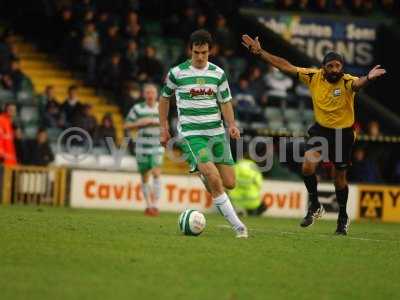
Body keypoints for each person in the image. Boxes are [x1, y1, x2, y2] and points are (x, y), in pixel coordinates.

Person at [242, 34, 386, 235]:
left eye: (338, 66)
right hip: (322, 130)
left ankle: (343, 217)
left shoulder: (346, 81)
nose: (335, 70)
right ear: (323, 67)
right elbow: (285, 66)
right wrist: (260, 53)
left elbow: (358, 84)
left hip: (343, 134)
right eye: (331, 66)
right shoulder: (313, 76)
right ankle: (315, 205)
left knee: (339, 178)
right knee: (308, 165)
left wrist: (368, 78)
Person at [159, 30, 248, 238]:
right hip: (192, 135)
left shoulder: (218, 74)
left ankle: (202, 172)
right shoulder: (177, 73)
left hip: (216, 134)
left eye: (204, 52)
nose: (200, 57)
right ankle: (239, 227)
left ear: (211, 51)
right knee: (213, 177)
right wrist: (163, 127)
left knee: (230, 183)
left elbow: (225, 102)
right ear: (190, 50)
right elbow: (164, 99)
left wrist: (232, 124)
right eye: (197, 52)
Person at [124, 84, 164, 217]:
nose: (150, 95)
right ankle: (149, 205)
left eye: (152, 92)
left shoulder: (161, 107)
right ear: (143, 94)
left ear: (156, 94)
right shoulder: (137, 108)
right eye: (147, 92)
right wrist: (142, 123)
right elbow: (127, 125)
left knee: (157, 172)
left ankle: (156, 205)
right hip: (142, 146)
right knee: (145, 176)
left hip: (157, 146)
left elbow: (167, 124)